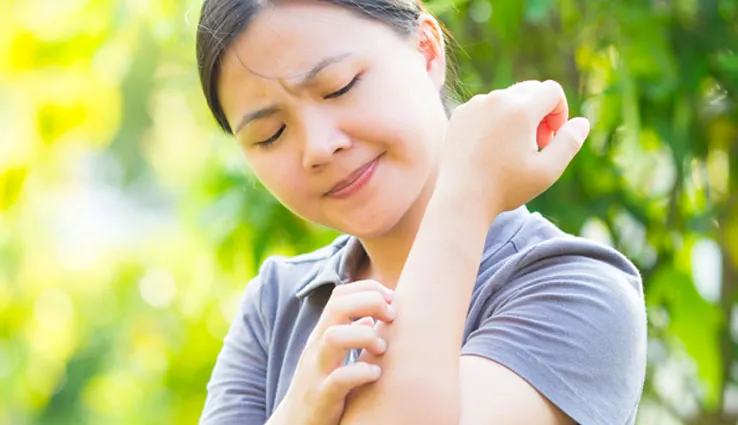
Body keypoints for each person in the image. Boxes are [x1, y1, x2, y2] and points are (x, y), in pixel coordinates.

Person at [195, 0, 648, 424]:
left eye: (339, 87)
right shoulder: (278, 304)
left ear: (427, 52)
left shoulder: (577, 290)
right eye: (271, 134)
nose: (317, 147)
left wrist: (468, 192)